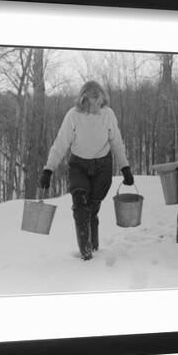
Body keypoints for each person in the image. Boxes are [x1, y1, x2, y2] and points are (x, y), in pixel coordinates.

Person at [39, 80, 134, 261]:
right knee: (81, 206)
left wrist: (125, 167)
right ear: (84, 100)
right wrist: (48, 169)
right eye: (93, 102)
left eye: (100, 102)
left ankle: (94, 245)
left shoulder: (108, 115)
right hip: (79, 166)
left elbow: (117, 142)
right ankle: (86, 253)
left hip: (102, 167)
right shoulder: (73, 116)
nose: (97, 106)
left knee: (92, 208)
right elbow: (60, 143)